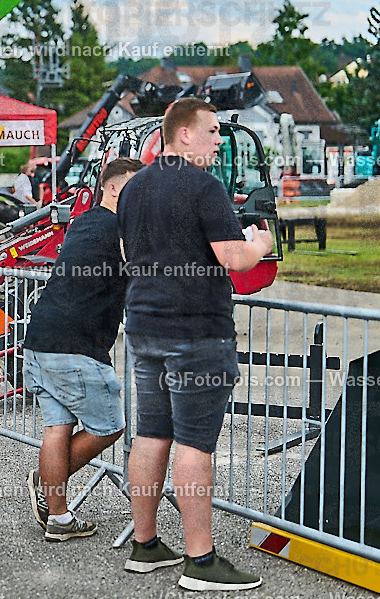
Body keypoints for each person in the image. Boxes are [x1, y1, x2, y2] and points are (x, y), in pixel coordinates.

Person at [117, 98, 274, 590]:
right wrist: (261, 245)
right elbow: (233, 257)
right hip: (195, 334)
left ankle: (145, 545)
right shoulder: (204, 186)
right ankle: (201, 562)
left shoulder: (134, 186)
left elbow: (128, 253)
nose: (218, 140)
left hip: (144, 328)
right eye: (211, 131)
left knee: (150, 434)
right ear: (183, 134)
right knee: (193, 443)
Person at [22, 157, 144, 542]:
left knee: (58, 426)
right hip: (76, 348)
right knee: (110, 427)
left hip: (41, 339)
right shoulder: (119, 228)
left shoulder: (85, 221)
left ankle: (58, 518)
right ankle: (46, 480)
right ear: (111, 187)